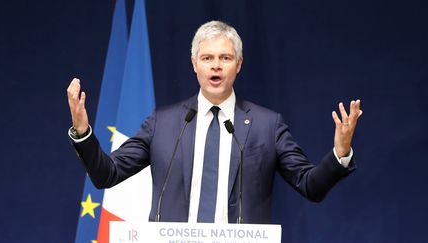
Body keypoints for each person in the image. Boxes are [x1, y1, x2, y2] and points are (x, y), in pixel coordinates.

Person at [67, 20, 362, 224]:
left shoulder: (266, 125)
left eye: (225, 57)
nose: (216, 65)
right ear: (194, 64)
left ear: (239, 64)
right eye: (207, 58)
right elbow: (107, 174)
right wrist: (83, 133)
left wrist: (340, 154)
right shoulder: (165, 123)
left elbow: (310, 185)